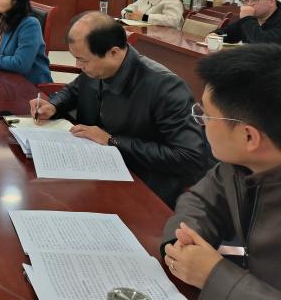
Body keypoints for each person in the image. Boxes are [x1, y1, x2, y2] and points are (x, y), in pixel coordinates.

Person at [31, 12, 208, 206]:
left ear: (113, 52)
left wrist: (112, 141)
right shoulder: (98, 69)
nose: (78, 66)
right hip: (94, 167)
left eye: (83, 60)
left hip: (141, 184)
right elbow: (74, 90)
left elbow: (189, 157)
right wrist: (54, 105)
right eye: (76, 58)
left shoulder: (165, 87)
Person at [162, 44, 281, 299]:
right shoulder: (238, 163)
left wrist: (213, 275)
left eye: (207, 115)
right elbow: (200, 200)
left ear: (249, 136)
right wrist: (183, 241)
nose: (200, 122)